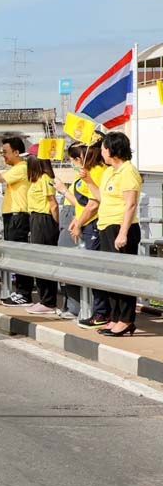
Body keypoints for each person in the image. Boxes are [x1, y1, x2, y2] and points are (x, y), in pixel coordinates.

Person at [85, 132, 141, 336]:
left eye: (103, 148)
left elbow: (131, 203)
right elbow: (102, 197)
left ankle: (126, 319)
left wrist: (123, 233)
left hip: (121, 227)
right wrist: (89, 180)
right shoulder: (110, 171)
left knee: (123, 275)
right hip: (106, 227)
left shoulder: (128, 171)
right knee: (111, 275)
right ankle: (115, 317)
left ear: (113, 150)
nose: (101, 152)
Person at [57, 144, 110, 328]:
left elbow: (93, 203)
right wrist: (76, 220)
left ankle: (101, 312)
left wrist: (79, 223)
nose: (71, 163)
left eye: (73, 159)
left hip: (93, 225)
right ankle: (95, 310)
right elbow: (82, 203)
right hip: (83, 223)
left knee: (95, 269)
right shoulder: (86, 172)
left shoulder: (96, 172)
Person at [0, 137, 32, 306]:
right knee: (14, 255)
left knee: (20, 255)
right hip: (11, 216)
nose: (3, 156)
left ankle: (24, 293)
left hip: (18, 216)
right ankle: (20, 291)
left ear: (16, 152)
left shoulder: (22, 167)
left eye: (5, 152)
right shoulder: (16, 168)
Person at [25, 156, 60, 315]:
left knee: (43, 260)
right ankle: (43, 299)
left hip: (44, 219)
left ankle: (48, 301)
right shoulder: (35, 180)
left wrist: (55, 225)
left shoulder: (45, 179)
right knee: (37, 261)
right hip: (35, 218)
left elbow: (53, 204)